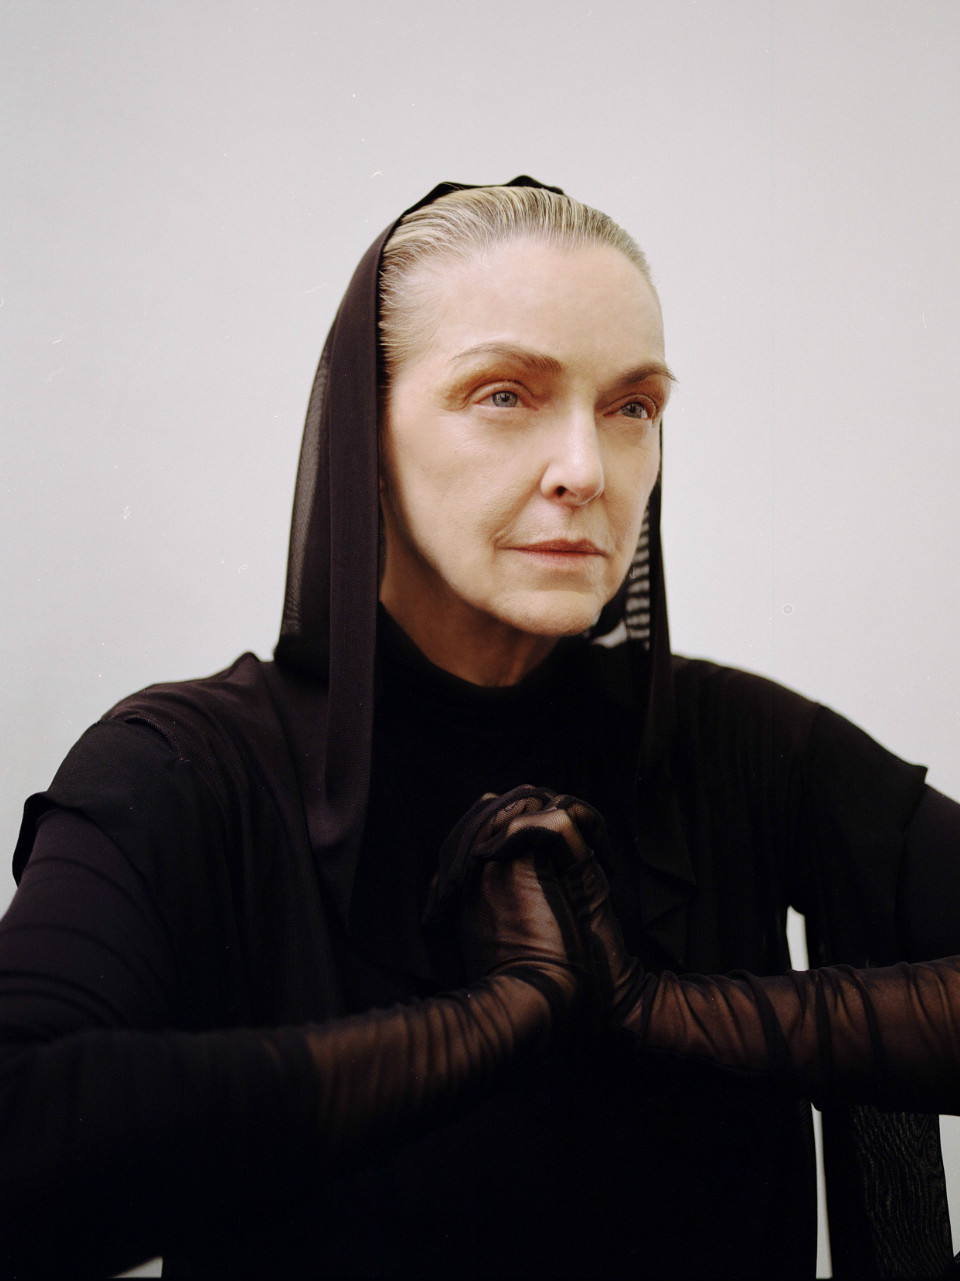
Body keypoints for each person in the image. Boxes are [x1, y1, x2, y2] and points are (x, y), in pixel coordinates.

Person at [3, 176, 960, 1280]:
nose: (587, 470)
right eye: (505, 394)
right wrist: (491, 1024)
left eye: (633, 407)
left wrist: (669, 1014)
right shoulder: (185, 767)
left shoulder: (743, 746)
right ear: (366, 432)